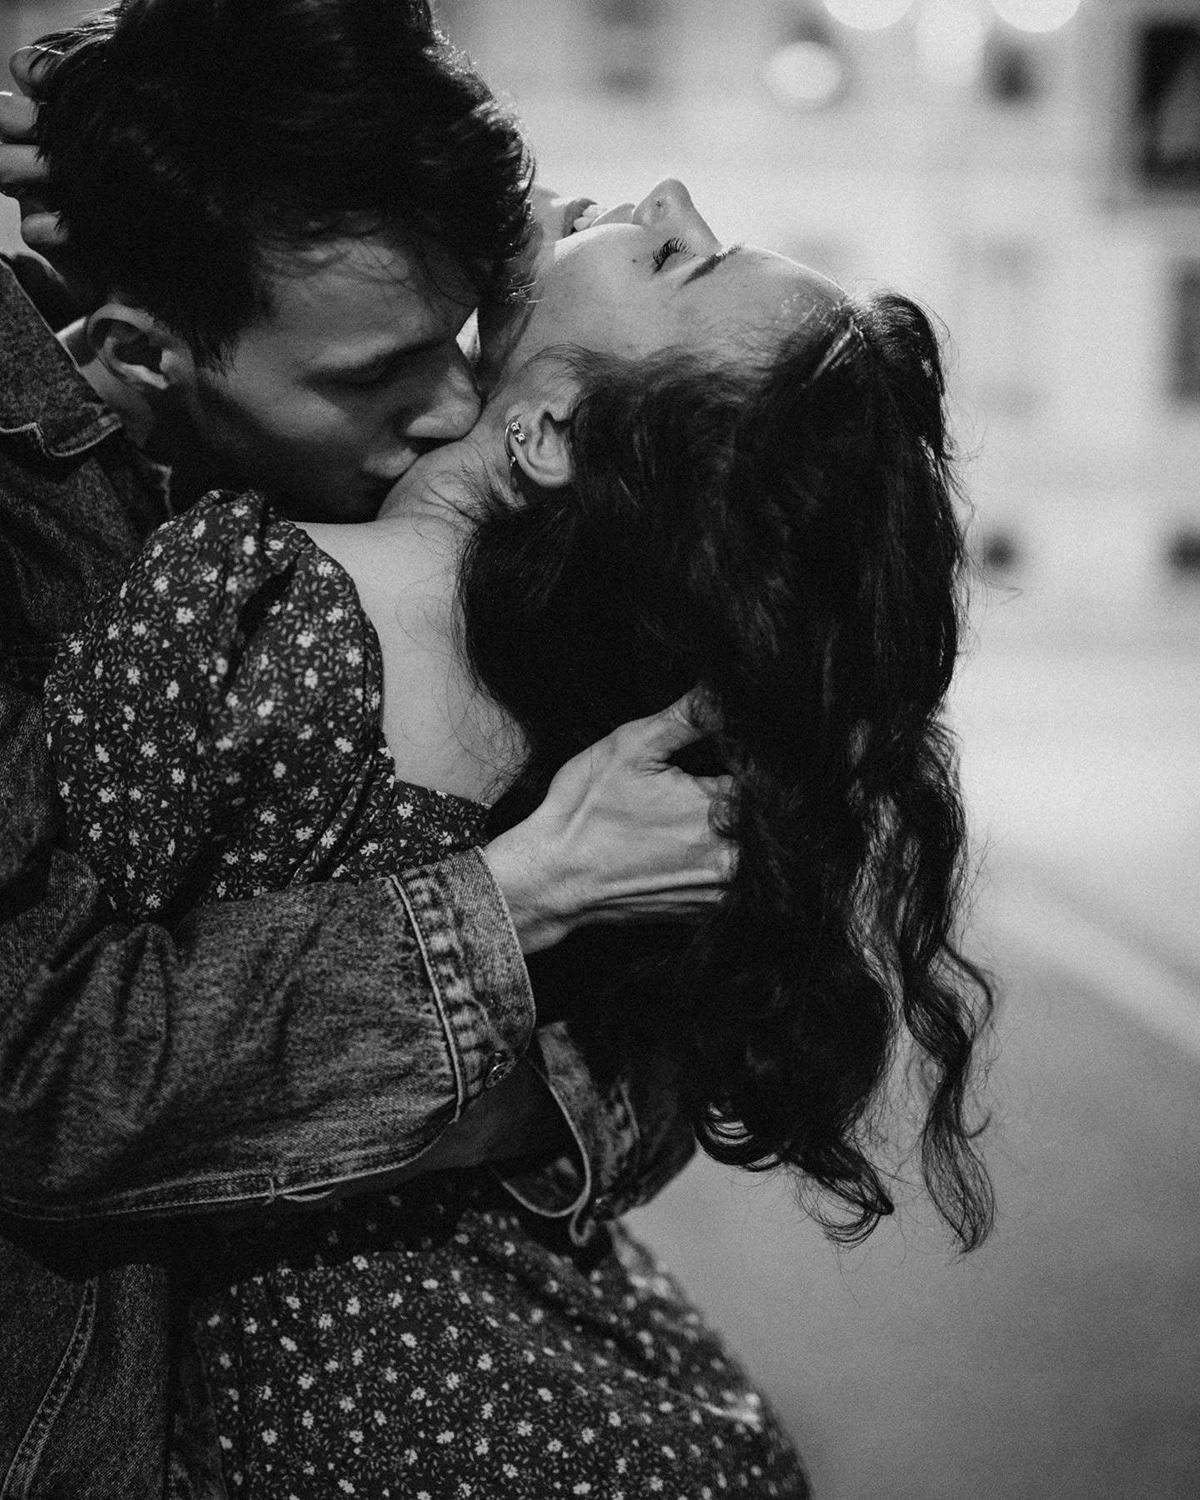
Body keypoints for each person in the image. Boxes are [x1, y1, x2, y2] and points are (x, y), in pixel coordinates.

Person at [36, 17, 993, 1493]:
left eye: (676, 261)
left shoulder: (261, 589)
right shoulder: (598, 674)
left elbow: (68, 951)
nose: (667, 197)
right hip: (599, 1384)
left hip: (361, 1422)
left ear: (545, 433)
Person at [0, 5, 733, 1496]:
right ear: (142, 352)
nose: (457, 404)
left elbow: (675, 1054)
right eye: (374, 370)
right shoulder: (54, 535)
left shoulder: (435, 494)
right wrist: (521, 900)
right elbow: (41, 1081)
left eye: (459, 334)